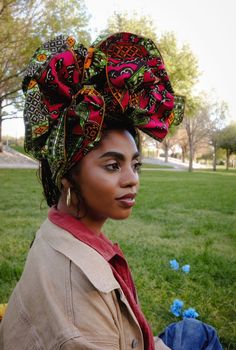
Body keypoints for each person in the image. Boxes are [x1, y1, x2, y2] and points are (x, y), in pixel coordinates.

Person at [0, 32, 222, 350]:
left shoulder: (60, 228)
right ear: (67, 175)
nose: (132, 179)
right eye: (112, 166)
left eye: (135, 164)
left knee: (194, 330)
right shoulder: (82, 321)